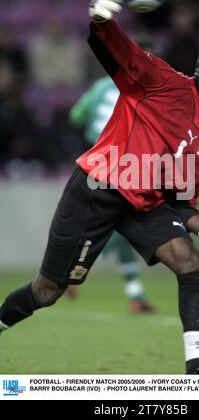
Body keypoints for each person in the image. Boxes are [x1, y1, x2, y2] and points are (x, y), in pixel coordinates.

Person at [0, 0, 199, 374]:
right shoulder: (163, 81)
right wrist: (100, 18)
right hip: (98, 189)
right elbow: (116, 49)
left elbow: (180, 199)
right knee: (47, 292)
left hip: (143, 205)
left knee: (187, 260)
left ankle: (196, 369)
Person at [66, 76, 156, 313]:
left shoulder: (99, 86)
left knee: (118, 230)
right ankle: (70, 268)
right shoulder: (143, 86)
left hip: (96, 163)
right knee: (116, 227)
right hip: (126, 164)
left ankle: (135, 295)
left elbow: (76, 116)